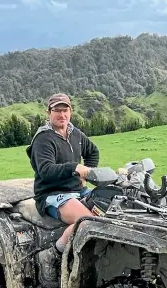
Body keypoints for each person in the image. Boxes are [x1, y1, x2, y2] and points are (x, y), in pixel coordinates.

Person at [26, 93, 99, 287]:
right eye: (56, 110)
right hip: (52, 194)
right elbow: (46, 170)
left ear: (70, 112)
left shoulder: (75, 133)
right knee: (87, 221)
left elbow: (93, 152)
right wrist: (74, 167)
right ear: (48, 113)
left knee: (109, 207)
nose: (61, 114)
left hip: (77, 191)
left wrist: (85, 176)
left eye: (65, 110)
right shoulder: (43, 139)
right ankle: (51, 256)